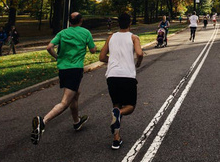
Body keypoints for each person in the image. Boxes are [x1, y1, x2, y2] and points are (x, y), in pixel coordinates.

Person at [31, 12, 97, 145]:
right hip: (75, 69)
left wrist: (57, 57)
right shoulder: (85, 32)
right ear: (81, 21)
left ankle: (76, 122)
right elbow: (93, 50)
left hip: (63, 69)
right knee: (65, 101)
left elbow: (49, 47)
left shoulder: (62, 33)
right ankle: (43, 122)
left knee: (76, 94)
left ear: (70, 21)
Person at [99, 13, 144, 150]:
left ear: (118, 23)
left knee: (116, 105)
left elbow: (101, 57)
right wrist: (138, 63)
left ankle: (116, 139)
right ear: (130, 23)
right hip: (127, 76)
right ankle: (120, 115)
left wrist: (112, 61)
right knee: (130, 106)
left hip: (112, 76)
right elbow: (140, 53)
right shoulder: (133, 37)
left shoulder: (111, 37)